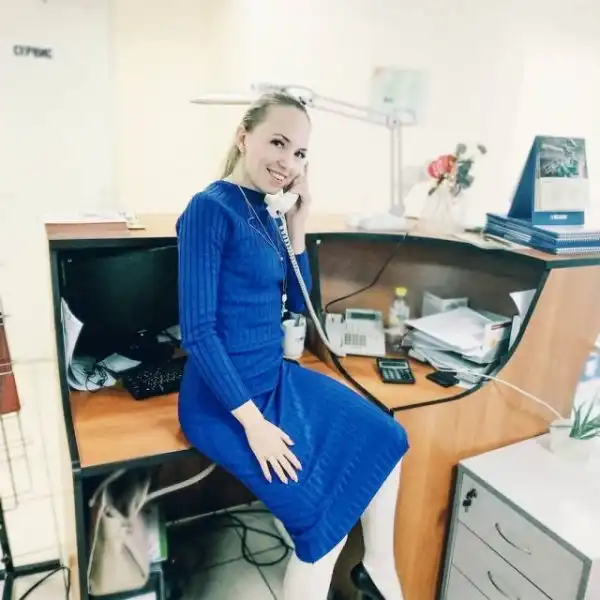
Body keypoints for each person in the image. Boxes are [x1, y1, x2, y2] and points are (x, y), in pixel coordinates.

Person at [176, 91, 409, 600]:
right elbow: (197, 334)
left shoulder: (266, 212)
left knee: (388, 438)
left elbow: (300, 306)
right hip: (223, 400)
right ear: (244, 136)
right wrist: (254, 425)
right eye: (278, 143)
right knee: (321, 530)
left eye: (300, 152)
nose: (288, 162)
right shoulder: (208, 209)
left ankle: (378, 565)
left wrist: (298, 223)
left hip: (273, 377)